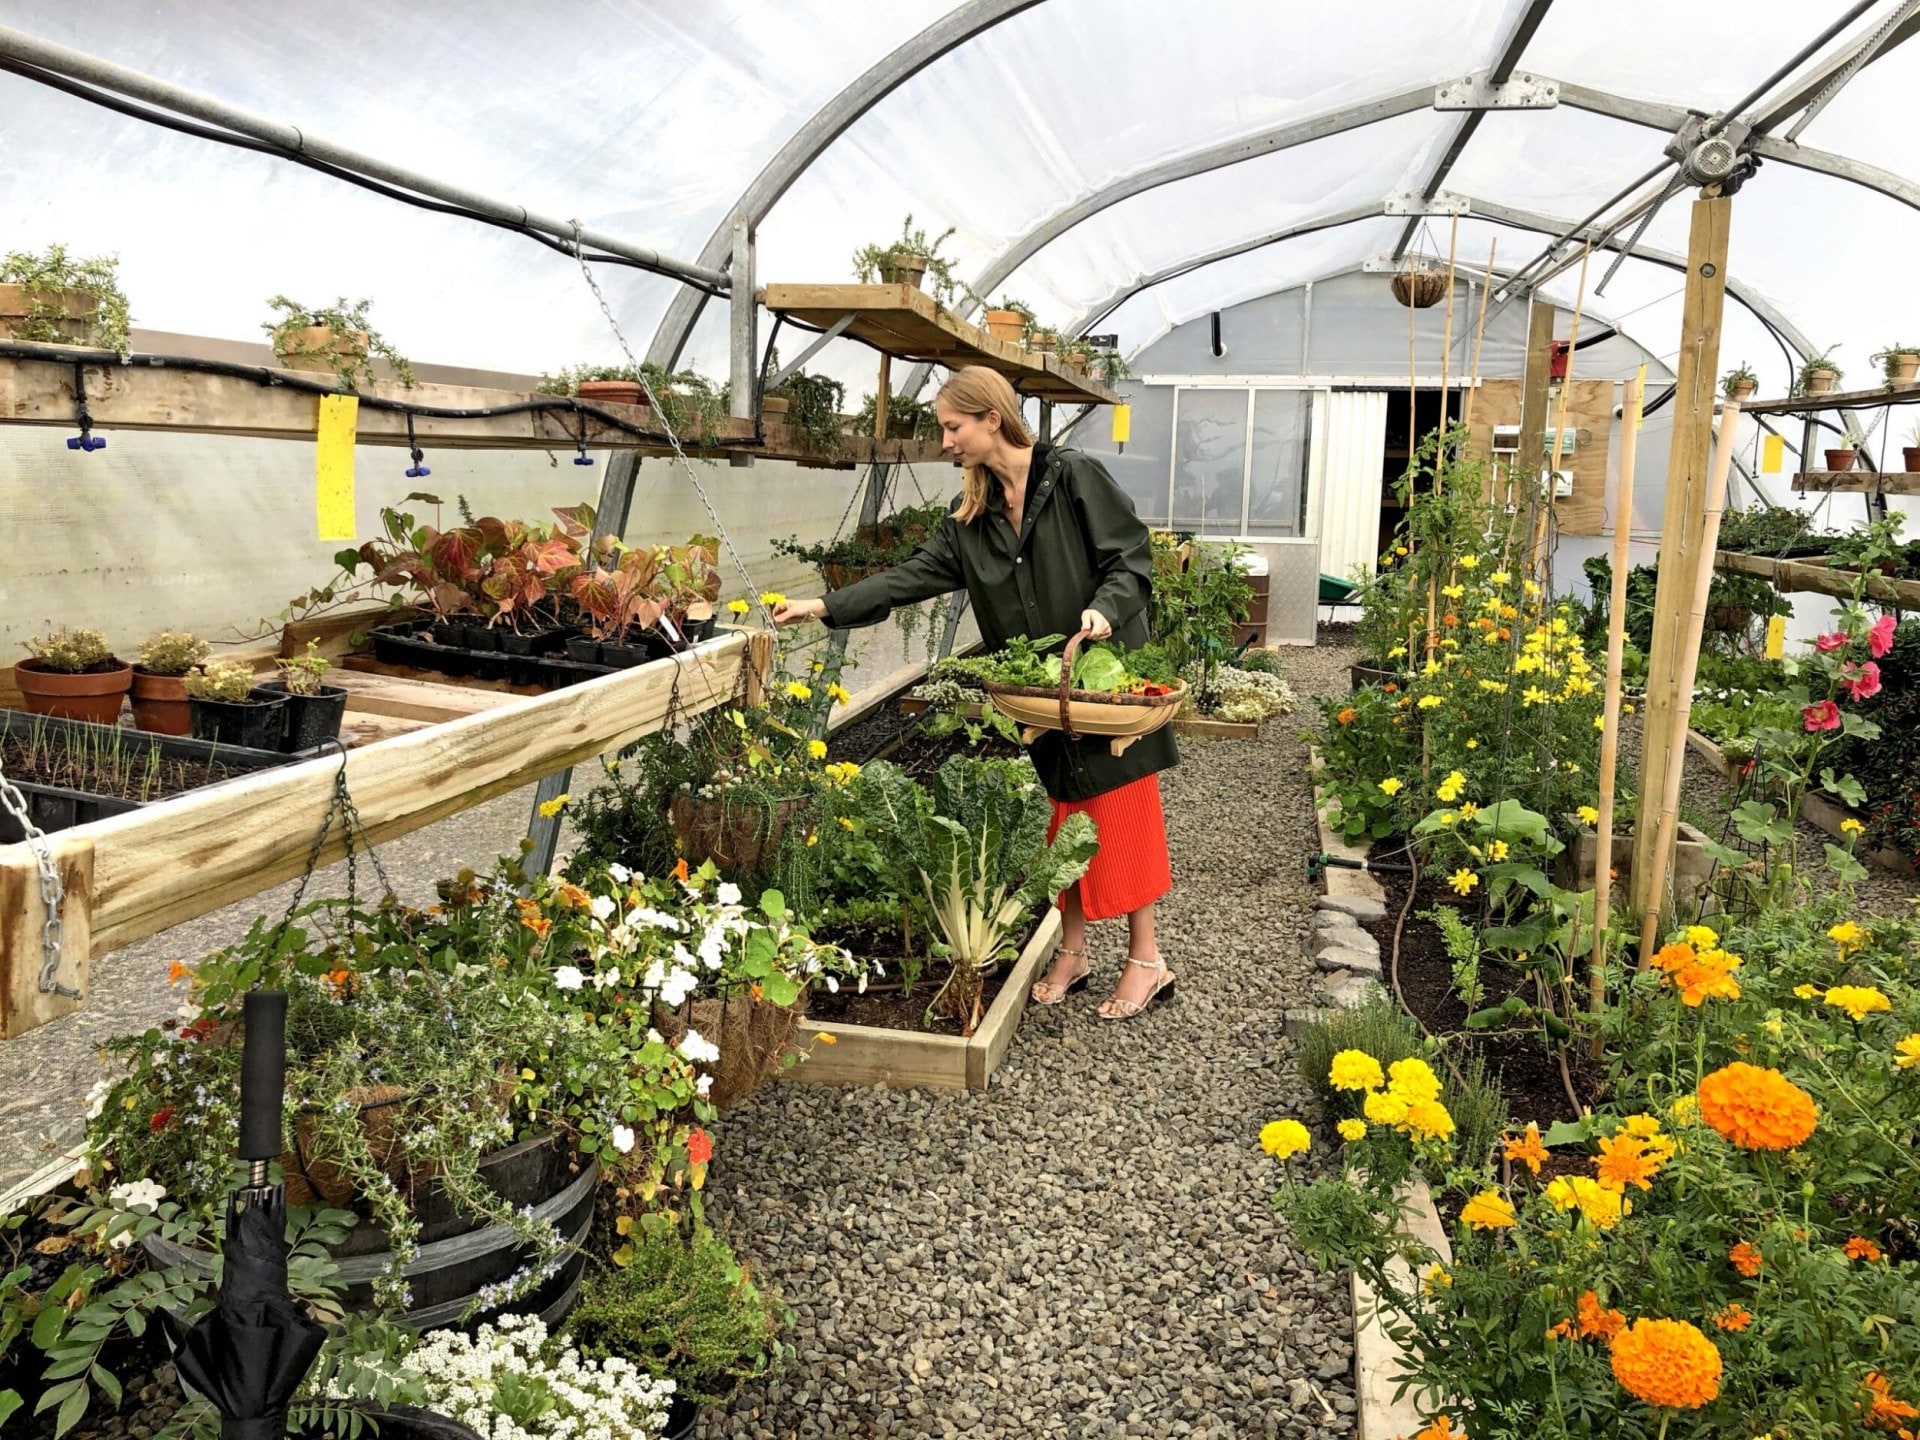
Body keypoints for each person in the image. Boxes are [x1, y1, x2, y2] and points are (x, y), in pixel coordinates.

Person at [772, 366, 1178, 1020]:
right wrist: (823, 604)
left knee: (1122, 816)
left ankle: (1147, 960)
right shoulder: (972, 520)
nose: (945, 441)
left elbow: (1129, 557)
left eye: (952, 426)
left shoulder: (1072, 477)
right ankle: (1073, 952)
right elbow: (909, 579)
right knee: (1065, 817)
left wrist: (1105, 608)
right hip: (1043, 695)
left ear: (992, 418)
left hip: (1105, 688)